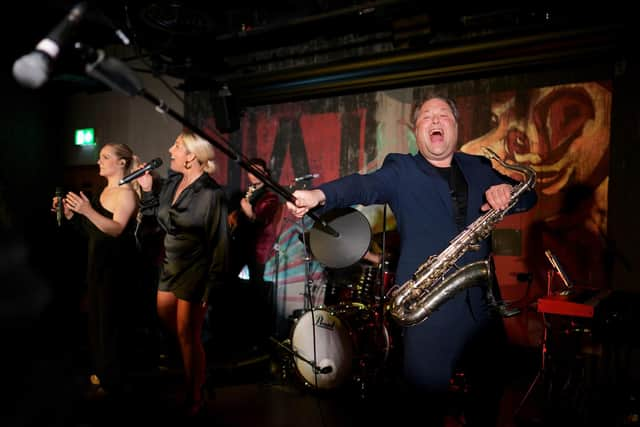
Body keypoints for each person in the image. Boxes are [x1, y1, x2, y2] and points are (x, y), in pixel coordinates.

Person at [286, 94, 538, 425]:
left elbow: (528, 194)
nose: (436, 121)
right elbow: (364, 185)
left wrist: (506, 193)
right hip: (427, 307)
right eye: (427, 117)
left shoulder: (480, 168)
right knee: (423, 407)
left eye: (444, 115)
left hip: (482, 306)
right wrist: (320, 195)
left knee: (487, 401)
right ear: (416, 130)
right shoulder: (401, 169)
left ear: (456, 127)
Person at [136, 130, 228, 417]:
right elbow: (155, 218)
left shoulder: (212, 193)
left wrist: (210, 286)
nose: (170, 150)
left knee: (188, 334)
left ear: (191, 156)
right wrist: (148, 189)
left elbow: (220, 242)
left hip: (196, 269)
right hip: (170, 266)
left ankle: (194, 395)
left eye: (176, 146)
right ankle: (198, 373)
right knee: (171, 328)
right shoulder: (172, 182)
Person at [52, 143, 140, 400]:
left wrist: (87, 210)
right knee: (97, 322)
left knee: (111, 325)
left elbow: (115, 229)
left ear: (122, 163)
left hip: (115, 269)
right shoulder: (104, 191)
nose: (99, 161)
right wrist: (72, 215)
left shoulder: (125, 194)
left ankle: (113, 382)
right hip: (98, 264)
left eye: (105, 157)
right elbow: (93, 231)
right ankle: (103, 373)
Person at [228, 158, 283, 284]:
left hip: (258, 248)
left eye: (258, 171)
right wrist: (235, 215)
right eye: (251, 171)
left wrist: (250, 212)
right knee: (230, 281)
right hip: (241, 244)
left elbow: (263, 220)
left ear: (265, 174)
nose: (254, 174)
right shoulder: (248, 193)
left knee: (256, 284)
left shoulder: (270, 196)